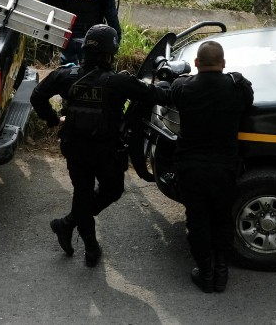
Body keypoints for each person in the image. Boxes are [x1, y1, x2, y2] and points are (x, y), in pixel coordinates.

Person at [33, 25, 160, 269]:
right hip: (106, 153)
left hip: (75, 149)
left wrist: (52, 120)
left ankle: (69, 225)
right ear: (110, 54)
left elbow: (37, 96)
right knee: (110, 191)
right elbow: (154, 94)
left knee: (83, 195)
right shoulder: (118, 81)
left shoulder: (65, 75)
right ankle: (90, 248)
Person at [158, 39, 254, 294]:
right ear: (223, 63)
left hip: (192, 169)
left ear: (197, 62)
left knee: (197, 220)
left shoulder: (183, 87)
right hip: (225, 168)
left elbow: (170, 91)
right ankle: (221, 272)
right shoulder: (236, 87)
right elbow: (249, 96)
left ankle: (205, 272)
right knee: (222, 218)